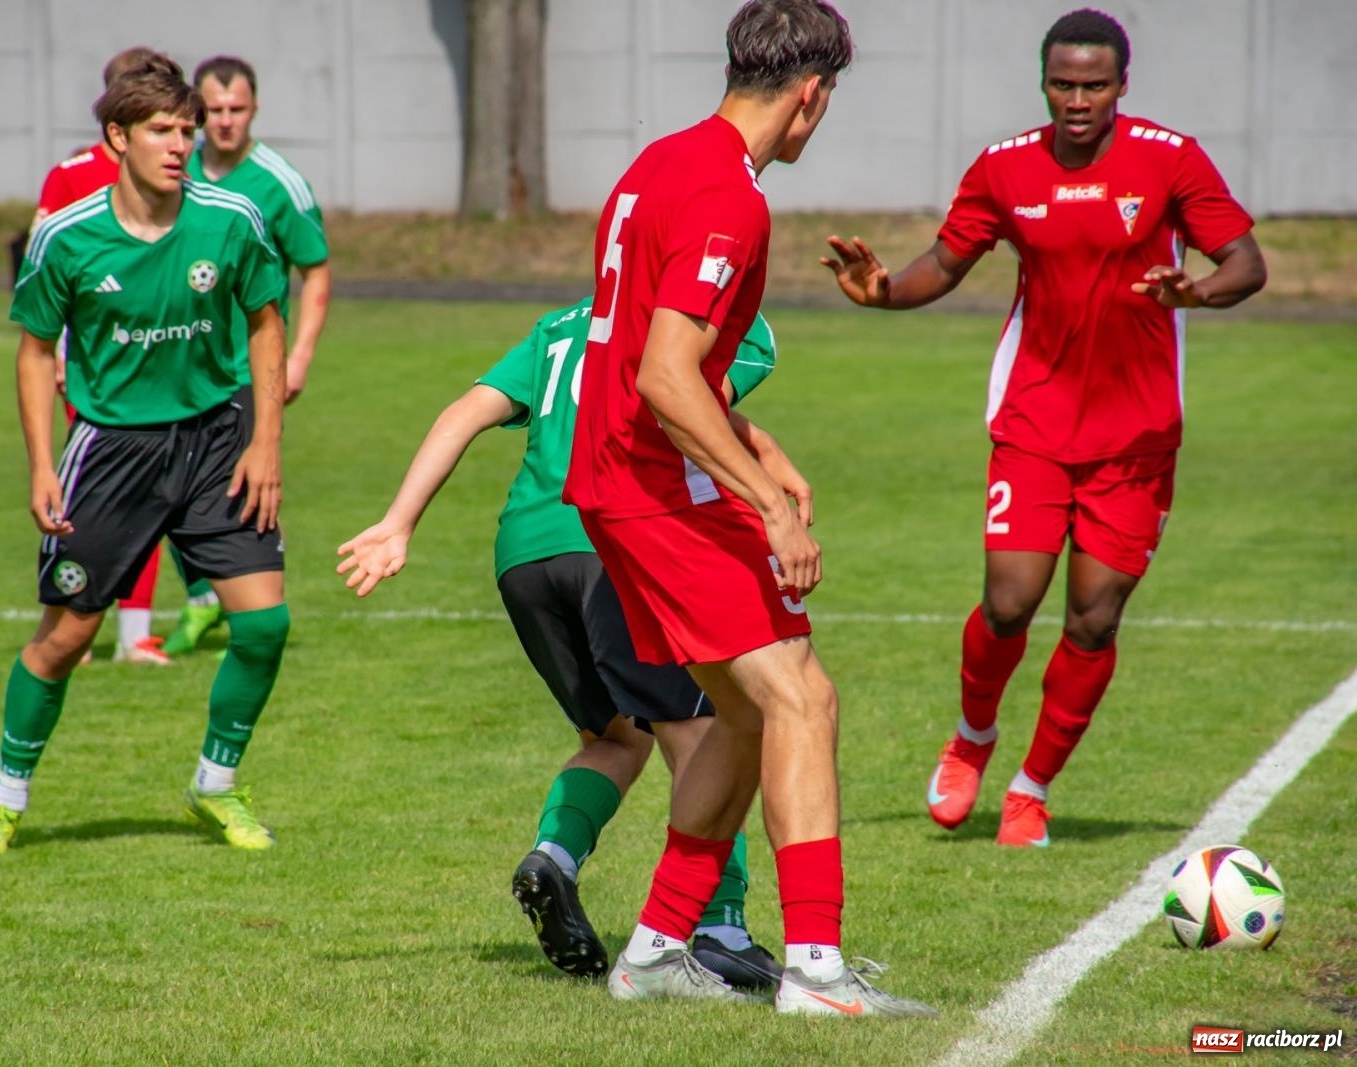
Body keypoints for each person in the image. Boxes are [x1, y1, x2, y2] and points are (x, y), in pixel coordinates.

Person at [562, 0, 934, 1016]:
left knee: (738, 711)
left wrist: (758, 446)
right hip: (652, 485)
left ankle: (650, 954)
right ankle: (814, 968)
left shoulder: (657, 163)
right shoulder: (731, 198)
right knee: (800, 699)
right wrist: (766, 501)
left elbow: (654, 351)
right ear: (809, 96)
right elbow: (664, 374)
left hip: (613, 479)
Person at [821, 8, 1266, 848]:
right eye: (1063, 83)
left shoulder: (1170, 160)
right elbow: (946, 262)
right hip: (1033, 422)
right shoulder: (1003, 168)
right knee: (1008, 600)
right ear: (1043, 82)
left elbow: (1246, 261)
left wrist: (1197, 291)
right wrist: (884, 290)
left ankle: (1031, 788)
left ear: (1121, 86)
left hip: (1136, 440)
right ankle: (972, 738)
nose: (1077, 99)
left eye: (1094, 85)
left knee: (1094, 618)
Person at [337, 297, 792, 991]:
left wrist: (399, 522)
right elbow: (690, 413)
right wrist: (769, 483)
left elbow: (462, 411)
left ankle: (555, 856)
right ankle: (721, 927)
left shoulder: (560, 325)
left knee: (614, 736)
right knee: (704, 732)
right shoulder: (727, 318)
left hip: (525, 553)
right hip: (617, 536)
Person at [0, 54, 292, 856]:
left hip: (217, 442)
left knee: (264, 625)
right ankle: (7, 799)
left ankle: (215, 785)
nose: (180, 144)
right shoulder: (67, 239)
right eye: (161, 131)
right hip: (111, 452)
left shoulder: (230, 219)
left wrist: (265, 442)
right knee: (67, 639)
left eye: (186, 130)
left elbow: (264, 323)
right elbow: (36, 353)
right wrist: (43, 464)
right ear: (117, 137)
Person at [164, 54, 334, 658]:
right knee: (170, 484)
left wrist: (301, 355)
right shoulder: (175, 173)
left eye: (238, 110)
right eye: (214, 111)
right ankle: (207, 600)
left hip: (244, 367)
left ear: (255, 109)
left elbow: (315, 272)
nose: (226, 122)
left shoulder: (277, 182)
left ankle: (256, 614)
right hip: (179, 363)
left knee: (246, 483)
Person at [28, 44, 176, 666]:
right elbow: (42, 271)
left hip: (166, 365)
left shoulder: (180, 178)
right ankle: (73, 620)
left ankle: (130, 634)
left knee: (149, 497)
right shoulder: (70, 177)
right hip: (92, 367)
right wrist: (60, 348)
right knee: (86, 499)